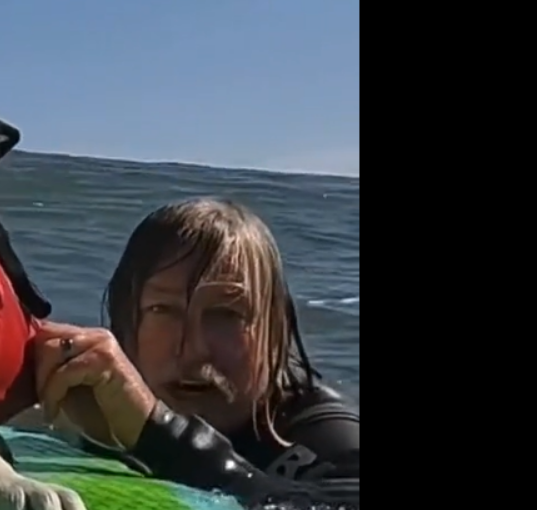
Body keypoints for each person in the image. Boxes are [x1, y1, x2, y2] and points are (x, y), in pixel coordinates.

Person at [32, 198, 360, 506]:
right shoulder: (75, 401)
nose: (193, 349)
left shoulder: (321, 430)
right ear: (125, 323)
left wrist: (155, 430)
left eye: (228, 314)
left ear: (276, 331)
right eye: (163, 310)